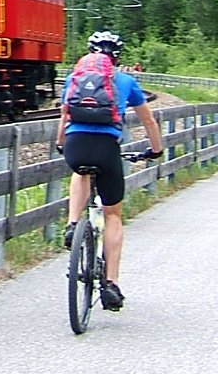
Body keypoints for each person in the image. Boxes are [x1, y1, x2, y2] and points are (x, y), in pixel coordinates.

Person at [55, 30, 163, 311]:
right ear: (116, 57)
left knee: (79, 172)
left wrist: (60, 144)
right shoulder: (126, 80)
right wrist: (156, 150)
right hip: (107, 149)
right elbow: (149, 122)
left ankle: (72, 223)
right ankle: (111, 285)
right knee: (112, 214)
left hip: (76, 146)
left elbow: (65, 115)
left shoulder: (73, 78)